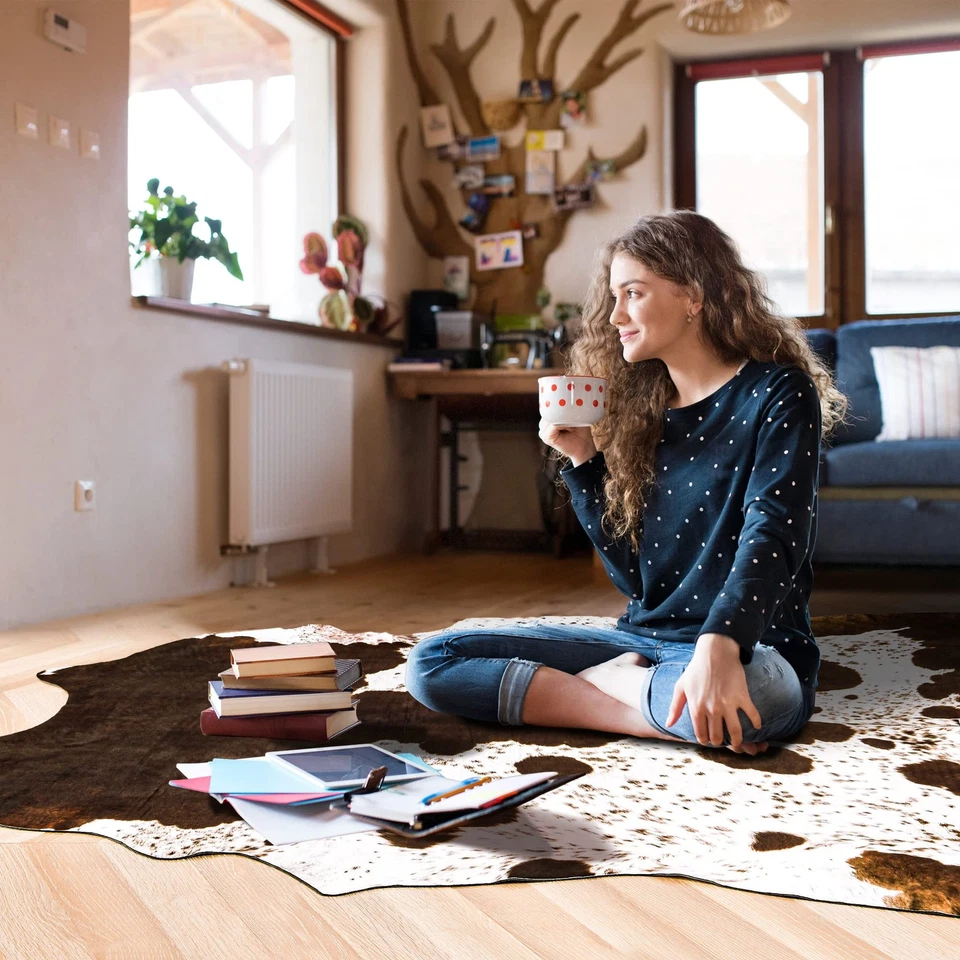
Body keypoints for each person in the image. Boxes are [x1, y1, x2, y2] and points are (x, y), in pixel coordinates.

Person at [406, 211, 846, 755]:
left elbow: (775, 535)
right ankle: (633, 706)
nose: (615, 316)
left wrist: (719, 644)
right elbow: (641, 582)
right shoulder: (645, 413)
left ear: (694, 295)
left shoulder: (779, 392)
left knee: (757, 704)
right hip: (644, 641)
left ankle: (616, 687)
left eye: (632, 293)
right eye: (614, 297)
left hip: (758, 645)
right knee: (434, 662)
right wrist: (585, 459)